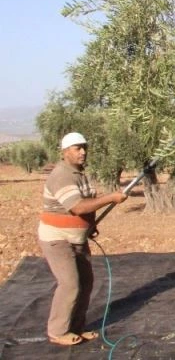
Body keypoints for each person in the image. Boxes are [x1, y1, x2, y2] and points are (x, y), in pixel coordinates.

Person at [37, 132, 128, 346]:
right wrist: (110, 198)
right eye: (77, 148)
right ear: (65, 152)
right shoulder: (62, 175)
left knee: (86, 283)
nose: (83, 152)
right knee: (70, 284)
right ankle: (58, 331)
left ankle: (76, 327)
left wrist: (89, 225)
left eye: (84, 147)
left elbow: (85, 205)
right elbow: (77, 207)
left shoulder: (79, 174)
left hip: (77, 239)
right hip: (57, 239)